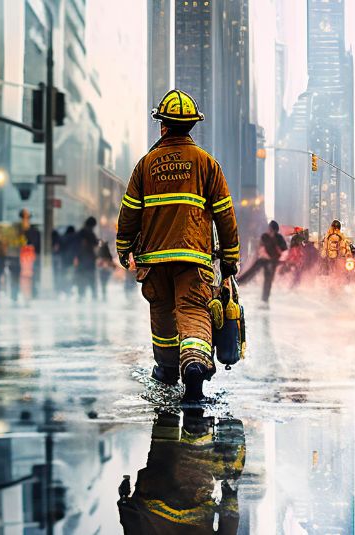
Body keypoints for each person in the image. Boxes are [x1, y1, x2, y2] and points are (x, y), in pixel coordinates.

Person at [117, 88, 241, 403]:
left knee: (162, 316)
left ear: (163, 125)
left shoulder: (146, 165)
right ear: (191, 125)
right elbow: (225, 215)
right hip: (194, 258)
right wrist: (229, 259)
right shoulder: (206, 164)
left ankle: (167, 368)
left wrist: (123, 247)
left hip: (154, 261)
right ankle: (195, 367)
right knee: (193, 311)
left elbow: (129, 212)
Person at [118, 410, 245, 534]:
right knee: (164, 441)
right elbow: (131, 519)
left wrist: (230, 495)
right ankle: (168, 413)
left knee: (195, 448)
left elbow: (229, 523)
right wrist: (124, 497)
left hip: (193, 496)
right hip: (154, 488)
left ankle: (198, 419)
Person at [237, 220, 288, 304]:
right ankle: (240, 282)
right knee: (253, 270)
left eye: (270, 228)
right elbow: (261, 247)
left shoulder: (279, 238)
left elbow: (284, 250)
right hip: (264, 259)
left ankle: (265, 298)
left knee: (268, 278)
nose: (269, 229)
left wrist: (279, 259)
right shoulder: (265, 236)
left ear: (273, 229)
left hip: (273, 261)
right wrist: (262, 254)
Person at [74, 217, 100, 301]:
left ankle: (81, 295)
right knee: (91, 278)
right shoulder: (90, 232)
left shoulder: (80, 232)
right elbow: (95, 243)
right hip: (89, 259)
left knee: (81, 278)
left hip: (81, 259)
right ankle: (94, 295)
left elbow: (76, 245)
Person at [18, 209, 42, 299]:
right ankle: (24, 293)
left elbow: (37, 245)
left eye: (27, 217)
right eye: (24, 217)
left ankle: (32, 293)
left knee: (32, 276)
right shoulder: (18, 230)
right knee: (23, 277)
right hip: (22, 258)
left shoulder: (34, 231)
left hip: (31, 258)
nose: (25, 219)